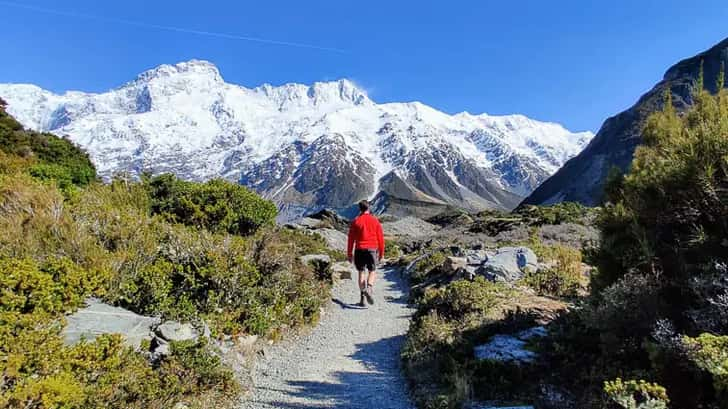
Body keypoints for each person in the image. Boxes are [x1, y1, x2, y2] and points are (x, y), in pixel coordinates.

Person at [347, 200, 385, 307]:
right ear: (369, 208)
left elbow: (351, 240)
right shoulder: (375, 221)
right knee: (372, 271)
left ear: (360, 209)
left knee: (361, 273)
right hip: (372, 249)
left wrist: (350, 254)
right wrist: (381, 254)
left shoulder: (355, 221)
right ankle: (369, 288)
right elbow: (381, 239)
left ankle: (362, 299)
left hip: (359, 250)